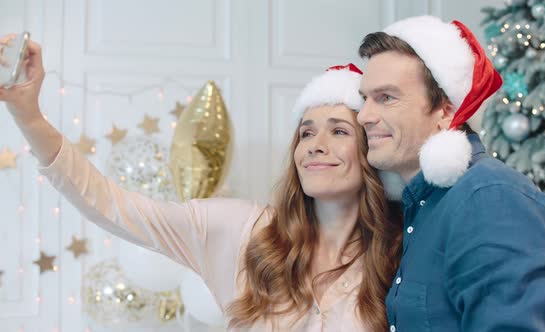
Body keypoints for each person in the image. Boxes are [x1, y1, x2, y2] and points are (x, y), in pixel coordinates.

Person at [0, 35, 404, 331]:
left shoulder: (399, 255)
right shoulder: (246, 233)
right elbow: (110, 204)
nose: (315, 146)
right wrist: (29, 115)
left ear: (370, 153)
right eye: (306, 132)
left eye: (338, 132)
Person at [356, 15, 545, 331]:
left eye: (386, 98)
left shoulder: (489, 197)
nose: (364, 116)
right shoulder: (424, 205)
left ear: (446, 109)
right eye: (364, 98)